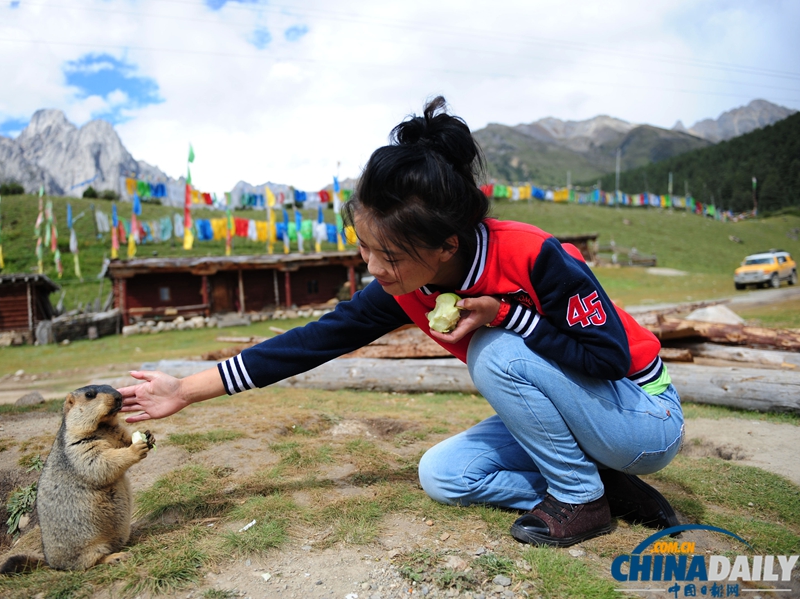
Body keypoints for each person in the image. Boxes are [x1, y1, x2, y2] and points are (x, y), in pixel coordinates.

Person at [118, 97, 684, 548]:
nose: (373, 268)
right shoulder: (405, 286)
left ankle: (580, 500)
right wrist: (185, 391)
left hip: (641, 414)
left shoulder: (534, 257)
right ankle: (600, 488)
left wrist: (509, 314)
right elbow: (309, 343)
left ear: (446, 246)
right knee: (444, 474)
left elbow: (609, 359)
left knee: (494, 349)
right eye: (364, 247)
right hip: (583, 419)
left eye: (387, 256)